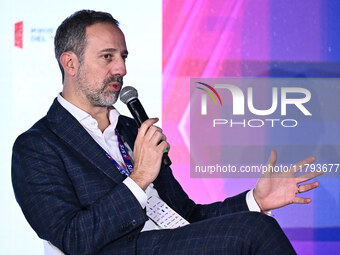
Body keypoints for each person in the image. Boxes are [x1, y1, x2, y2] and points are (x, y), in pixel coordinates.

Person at [11, 10, 323, 255]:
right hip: (124, 248)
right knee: (256, 231)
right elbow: (73, 238)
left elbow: (185, 214)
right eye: (107, 57)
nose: (120, 69)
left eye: (123, 57)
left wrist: (254, 200)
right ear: (71, 63)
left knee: (258, 222)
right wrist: (139, 178)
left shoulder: (133, 130)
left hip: (172, 240)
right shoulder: (37, 146)